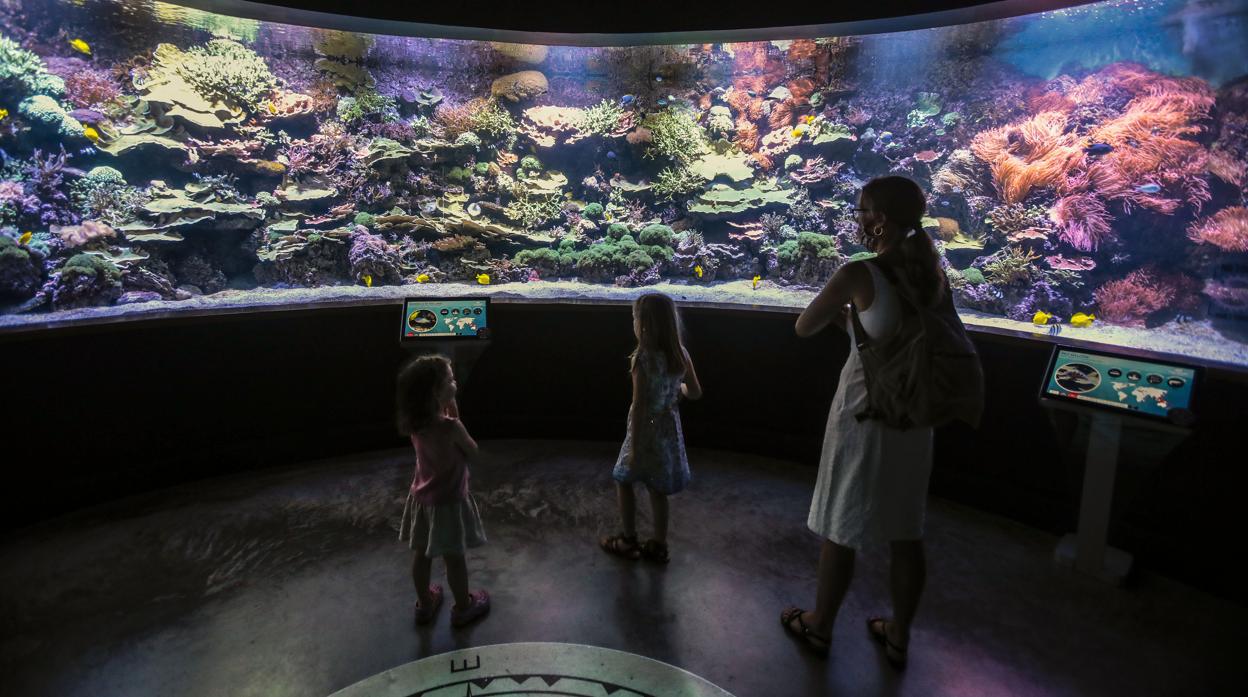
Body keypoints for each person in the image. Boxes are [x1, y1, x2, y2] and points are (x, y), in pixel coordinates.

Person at [782, 176, 950, 667]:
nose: (857, 218)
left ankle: (820, 626)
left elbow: (804, 324)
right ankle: (898, 634)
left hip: (866, 412)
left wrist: (847, 311)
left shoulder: (860, 273)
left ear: (878, 218)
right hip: (915, 416)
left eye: (862, 210)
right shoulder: (931, 274)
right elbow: (899, 334)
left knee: (841, 522)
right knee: (906, 529)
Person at [600, 292, 702, 564]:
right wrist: (676, 389)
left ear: (642, 324)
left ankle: (628, 539)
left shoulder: (642, 359)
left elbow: (640, 405)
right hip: (668, 429)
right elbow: (695, 392)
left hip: (644, 430)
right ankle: (659, 544)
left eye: (634, 317)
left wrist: (633, 448)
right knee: (658, 488)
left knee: (624, 480)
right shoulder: (681, 354)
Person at [396, 354, 490, 627]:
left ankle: (425, 603)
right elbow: (471, 450)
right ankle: (464, 606)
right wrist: (455, 415)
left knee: (422, 554)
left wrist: (448, 408)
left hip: (422, 500)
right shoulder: (451, 426)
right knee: (454, 558)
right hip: (449, 503)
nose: (455, 381)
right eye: (450, 379)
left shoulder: (417, 424)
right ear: (437, 392)